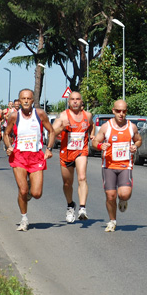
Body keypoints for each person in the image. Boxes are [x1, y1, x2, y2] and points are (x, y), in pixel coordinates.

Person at [4, 89, 55, 232]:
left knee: (37, 194)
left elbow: (51, 131)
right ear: (19, 101)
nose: (26, 101)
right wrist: (8, 147)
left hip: (36, 156)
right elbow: (6, 134)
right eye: (23, 98)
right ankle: (24, 219)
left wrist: (49, 148)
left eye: (28, 98)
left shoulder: (40, 114)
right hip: (19, 156)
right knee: (23, 190)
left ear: (33, 100)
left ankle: (28, 189)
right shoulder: (14, 116)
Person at [91, 99, 142, 232]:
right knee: (110, 195)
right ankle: (112, 221)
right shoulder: (106, 127)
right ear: (113, 111)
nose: (121, 114)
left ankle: (123, 200)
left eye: (124, 111)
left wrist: (135, 146)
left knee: (124, 194)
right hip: (108, 166)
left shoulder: (132, 127)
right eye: (118, 111)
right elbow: (95, 142)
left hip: (125, 165)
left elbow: (139, 140)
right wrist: (101, 145)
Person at [52, 91, 93, 223]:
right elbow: (52, 132)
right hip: (66, 152)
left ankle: (82, 208)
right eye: (72, 99)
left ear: (82, 102)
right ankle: (70, 205)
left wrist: (91, 135)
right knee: (67, 183)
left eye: (78, 99)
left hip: (81, 150)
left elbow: (91, 126)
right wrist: (63, 128)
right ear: (68, 102)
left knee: (82, 177)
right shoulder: (63, 116)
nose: (75, 101)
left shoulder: (87, 115)